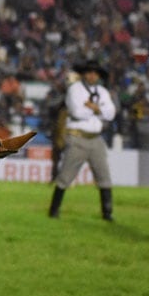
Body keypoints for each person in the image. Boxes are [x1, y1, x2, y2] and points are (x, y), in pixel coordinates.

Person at [48, 59, 116, 221]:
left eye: (95, 73)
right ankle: (54, 210)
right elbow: (77, 111)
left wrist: (94, 108)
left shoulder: (103, 91)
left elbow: (111, 113)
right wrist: (100, 110)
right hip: (77, 137)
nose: (92, 75)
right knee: (65, 176)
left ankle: (107, 213)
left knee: (104, 176)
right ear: (84, 74)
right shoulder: (75, 90)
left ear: (98, 76)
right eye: (89, 72)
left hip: (96, 138)